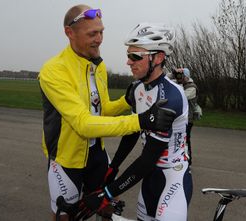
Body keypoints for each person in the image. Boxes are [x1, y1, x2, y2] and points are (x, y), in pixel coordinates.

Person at [38, 5, 176, 221]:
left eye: (101, 31)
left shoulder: (97, 65)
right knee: (66, 216)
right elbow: (83, 123)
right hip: (67, 159)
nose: (99, 39)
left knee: (106, 207)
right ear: (69, 33)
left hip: (96, 154)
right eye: (92, 33)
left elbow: (101, 110)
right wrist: (141, 120)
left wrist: (126, 101)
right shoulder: (54, 71)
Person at [79, 23, 193, 221]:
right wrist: (113, 167)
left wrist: (106, 194)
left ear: (158, 58)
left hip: (173, 177)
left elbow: (148, 158)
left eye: (136, 56)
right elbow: (133, 131)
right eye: (128, 55)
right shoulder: (137, 89)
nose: (129, 62)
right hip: (149, 179)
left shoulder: (171, 97)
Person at [171, 68, 202, 165]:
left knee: (185, 140)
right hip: (179, 118)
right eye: (179, 75)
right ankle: (177, 158)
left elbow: (180, 98)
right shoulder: (180, 83)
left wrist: (177, 83)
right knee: (175, 139)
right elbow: (165, 79)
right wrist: (173, 74)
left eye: (181, 75)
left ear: (186, 76)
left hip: (188, 119)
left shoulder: (192, 87)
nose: (179, 77)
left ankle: (188, 160)